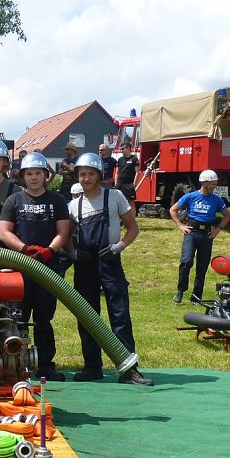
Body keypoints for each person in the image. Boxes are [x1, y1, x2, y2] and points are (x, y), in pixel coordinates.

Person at [67, 153, 153, 386]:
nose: (86, 179)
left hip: (110, 261)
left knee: (120, 315)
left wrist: (119, 247)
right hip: (85, 265)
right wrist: (74, 254)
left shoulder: (115, 197)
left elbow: (133, 228)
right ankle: (92, 366)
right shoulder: (74, 205)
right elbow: (65, 237)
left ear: (99, 175)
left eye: (90, 174)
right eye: (82, 174)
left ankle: (129, 370)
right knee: (87, 316)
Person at [0, 152, 71, 381]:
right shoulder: (14, 201)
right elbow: (4, 232)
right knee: (17, 319)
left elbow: (63, 231)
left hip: (48, 269)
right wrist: (24, 249)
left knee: (44, 319)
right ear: (22, 176)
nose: (33, 177)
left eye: (38, 173)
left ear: (46, 175)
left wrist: (50, 250)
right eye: (29, 173)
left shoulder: (57, 201)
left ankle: (46, 364)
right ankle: (17, 366)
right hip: (19, 270)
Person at [169, 169, 230, 304]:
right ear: (204, 183)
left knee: (202, 266)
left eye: (216, 184)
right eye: (213, 184)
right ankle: (181, 291)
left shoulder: (217, 199)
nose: (215, 186)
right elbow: (173, 210)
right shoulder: (190, 197)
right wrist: (180, 225)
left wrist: (217, 229)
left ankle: (196, 296)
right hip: (192, 233)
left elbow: (227, 215)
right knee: (186, 262)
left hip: (207, 235)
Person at [115, 142, 139, 209]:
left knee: (131, 203)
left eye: (123, 149)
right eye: (121, 149)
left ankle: (132, 219)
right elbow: (117, 172)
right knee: (117, 201)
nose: (121, 150)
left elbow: (137, 172)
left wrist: (134, 184)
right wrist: (116, 184)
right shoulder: (120, 159)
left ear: (128, 148)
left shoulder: (134, 159)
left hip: (129, 184)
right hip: (120, 184)